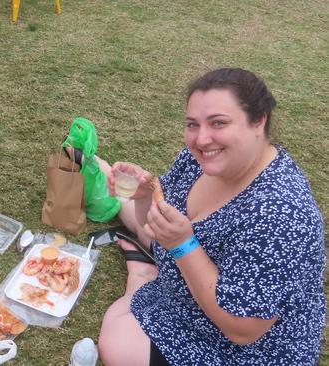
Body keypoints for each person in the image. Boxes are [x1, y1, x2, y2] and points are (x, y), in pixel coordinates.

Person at [97, 68, 325, 365]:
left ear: (258, 121)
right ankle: (143, 275)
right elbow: (154, 226)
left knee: (115, 344)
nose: (202, 138)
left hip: (245, 349)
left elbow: (244, 330)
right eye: (193, 124)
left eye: (218, 123)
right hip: (186, 294)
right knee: (116, 324)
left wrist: (183, 244)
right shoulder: (201, 159)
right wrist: (144, 197)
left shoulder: (282, 213)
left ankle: (141, 274)